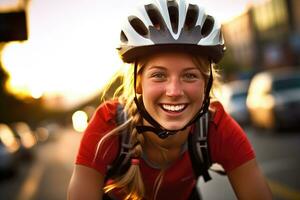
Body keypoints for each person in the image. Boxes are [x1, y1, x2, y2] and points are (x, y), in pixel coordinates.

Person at [68, 0, 272, 199]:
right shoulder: (108, 124)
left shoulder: (215, 126)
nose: (174, 91)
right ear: (138, 83)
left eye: (190, 75)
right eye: (159, 75)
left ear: (206, 83)